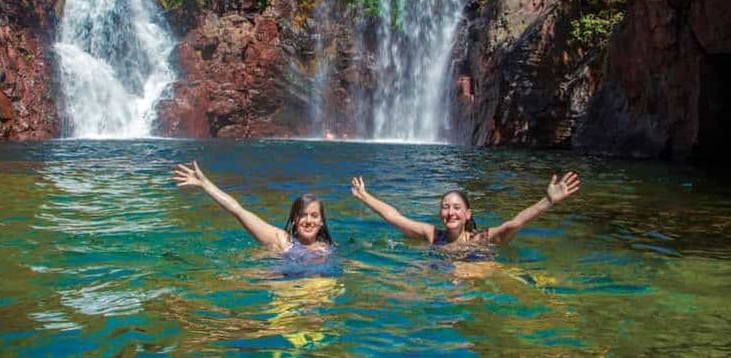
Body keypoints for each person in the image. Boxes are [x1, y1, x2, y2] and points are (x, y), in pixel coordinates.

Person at [350, 171, 580, 248]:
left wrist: (548, 201)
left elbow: (514, 223)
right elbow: (394, 217)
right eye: (446, 207)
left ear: (468, 214)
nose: (450, 212)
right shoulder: (432, 235)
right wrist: (365, 196)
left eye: (456, 208)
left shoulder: (482, 239)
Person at [173, 161, 334, 254]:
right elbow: (237, 210)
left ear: (321, 222)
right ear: (294, 220)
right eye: (302, 215)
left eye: (314, 215)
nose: (308, 220)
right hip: (286, 296)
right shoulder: (281, 239)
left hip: (317, 295)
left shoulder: (328, 249)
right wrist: (205, 185)